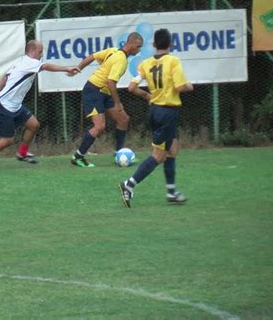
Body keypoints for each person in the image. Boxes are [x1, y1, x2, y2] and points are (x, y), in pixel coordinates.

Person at [0, 40, 80, 170]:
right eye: (40, 52)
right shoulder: (30, 62)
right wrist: (66, 68)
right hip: (4, 107)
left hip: (14, 105)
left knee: (34, 125)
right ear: (32, 51)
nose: (41, 55)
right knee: (7, 140)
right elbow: (45, 67)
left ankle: (22, 154)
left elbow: (5, 78)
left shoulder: (21, 61)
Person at [119, 28, 194, 208]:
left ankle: (171, 191)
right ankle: (129, 184)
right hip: (167, 112)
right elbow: (181, 86)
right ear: (170, 44)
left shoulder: (146, 64)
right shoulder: (173, 61)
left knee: (173, 148)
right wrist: (190, 86)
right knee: (159, 155)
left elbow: (131, 87)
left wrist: (147, 96)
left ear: (153, 45)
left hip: (156, 111)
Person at [70, 32, 143, 167]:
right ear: (131, 44)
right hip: (93, 90)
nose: (139, 50)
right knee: (99, 126)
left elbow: (92, 56)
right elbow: (110, 82)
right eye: (138, 47)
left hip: (104, 92)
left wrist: (79, 67)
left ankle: (119, 153)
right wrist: (117, 103)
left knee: (123, 119)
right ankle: (78, 157)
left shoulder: (113, 51)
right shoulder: (120, 58)